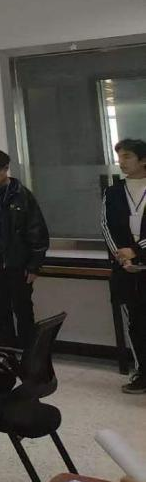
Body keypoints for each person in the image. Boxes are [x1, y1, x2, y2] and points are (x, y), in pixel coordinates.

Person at [0, 149, 50, 349]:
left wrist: (34, 266)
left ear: (6, 169)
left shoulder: (21, 194)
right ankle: (8, 349)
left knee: (23, 309)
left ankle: (28, 351)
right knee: (1, 310)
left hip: (18, 263)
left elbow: (37, 231)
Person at [102, 138, 146, 394]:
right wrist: (123, 257)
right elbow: (106, 226)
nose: (122, 161)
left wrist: (138, 251)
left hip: (140, 258)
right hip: (125, 269)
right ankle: (142, 373)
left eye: (128, 156)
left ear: (143, 159)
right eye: (119, 156)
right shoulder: (113, 191)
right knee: (135, 323)